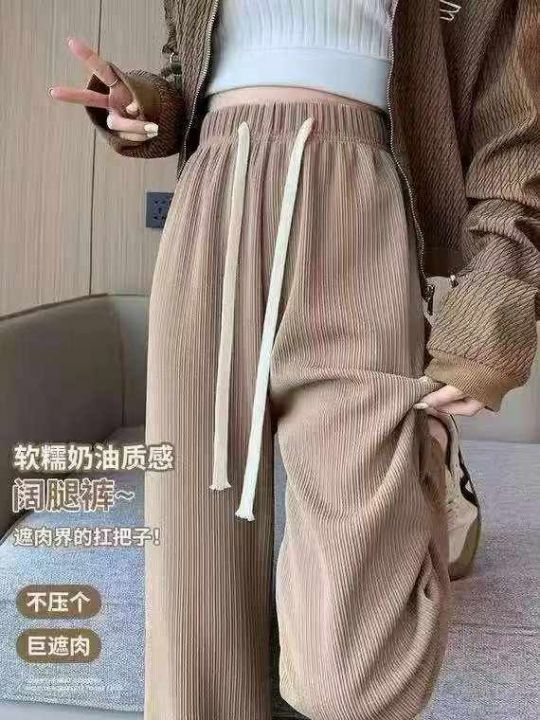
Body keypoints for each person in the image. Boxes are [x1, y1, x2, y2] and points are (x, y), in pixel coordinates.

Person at [49, 1, 539, 718]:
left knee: (351, 679)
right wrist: (142, 106)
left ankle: (428, 455)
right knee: (196, 596)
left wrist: (493, 308)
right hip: (213, 198)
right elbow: (188, 74)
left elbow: (517, 133)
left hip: (361, 206)